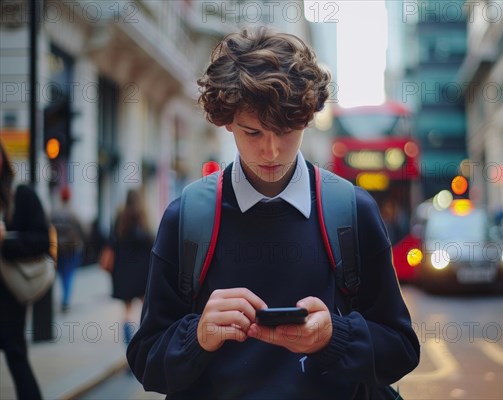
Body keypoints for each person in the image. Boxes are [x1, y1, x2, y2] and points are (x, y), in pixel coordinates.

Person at [127, 27, 420, 399]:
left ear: (308, 118)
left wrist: (335, 336)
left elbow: (403, 350)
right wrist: (197, 336)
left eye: (286, 131)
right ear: (227, 120)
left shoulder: (352, 210)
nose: (271, 151)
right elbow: (145, 362)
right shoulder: (186, 217)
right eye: (253, 133)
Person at [0, 141, 46, 400]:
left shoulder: (22, 195)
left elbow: (41, 239)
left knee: (16, 355)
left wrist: (7, 240)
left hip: (9, 294)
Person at [105, 188, 154, 344]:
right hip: (142, 272)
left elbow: (113, 241)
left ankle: (129, 344)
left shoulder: (120, 217)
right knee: (146, 309)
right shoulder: (143, 217)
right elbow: (151, 242)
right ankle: (144, 340)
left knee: (127, 311)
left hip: (123, 271)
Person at [51, 185, 86, 312]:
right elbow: (83, 230)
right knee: (69, 274)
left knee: (61, 274)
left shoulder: (54, 212)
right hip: (72, 248)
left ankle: (64, 298)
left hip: (59, 249)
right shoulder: (73, 213)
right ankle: (66, 299)